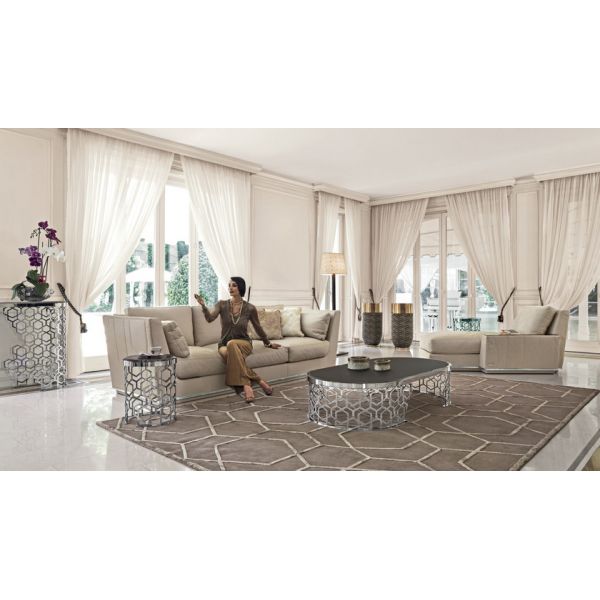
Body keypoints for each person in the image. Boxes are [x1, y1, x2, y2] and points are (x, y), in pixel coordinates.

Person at [194, 276, 282, 402]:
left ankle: (246, 387)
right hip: (224, 344)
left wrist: (267, 343)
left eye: (234, 285)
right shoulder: (221, 304)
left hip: (244, 343)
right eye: (229, 285)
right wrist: (203, 306)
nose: (230, 288)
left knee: (232, 344)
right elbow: (209, 318)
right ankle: (257, 381)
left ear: (240, 287)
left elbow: (257, 327)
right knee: (230, 349)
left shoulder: (250, 308)